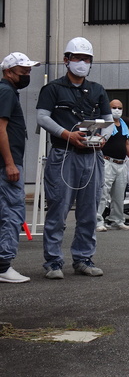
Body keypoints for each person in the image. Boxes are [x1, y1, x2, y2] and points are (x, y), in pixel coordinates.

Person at [37, 37, 111, 279]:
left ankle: (83, 258)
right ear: (66, 60)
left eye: (86, 59)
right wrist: (67, 134)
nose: (82, 63)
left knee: (89, 211)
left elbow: (109, 122)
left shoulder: (98, 89)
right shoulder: (53, 89)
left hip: (92, 156)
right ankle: (53, 262)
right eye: (77, 58)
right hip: (63, 154)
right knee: (58, 208)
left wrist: (103, 139)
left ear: (91, 63)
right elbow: (42, 117)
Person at [0, 52, 39, 284]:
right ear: (8, 72)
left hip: (7, 164)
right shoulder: (5, 92)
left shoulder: (7, 92)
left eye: (29, 71)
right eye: (23, 71)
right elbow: (1, 129)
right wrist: (10, 163)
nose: (27, 75)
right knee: (12, 212)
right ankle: (4, 265)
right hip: (8, 166)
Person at [96, 99, 129, 232]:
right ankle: (98, 221)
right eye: (114, 107)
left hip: (121, 163)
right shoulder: (105, 124)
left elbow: (126, 143)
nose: (117, 110)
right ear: (109, 109)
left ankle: (117, 220)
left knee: (119, 194)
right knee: (103, 193)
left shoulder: (123, 124)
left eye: (119, 108)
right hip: (107, 161)